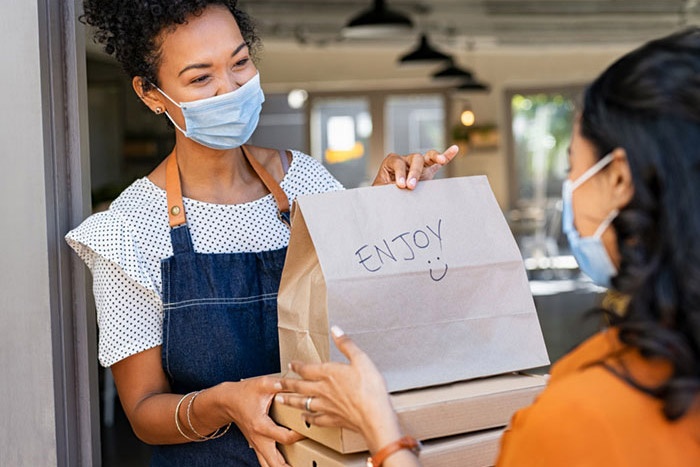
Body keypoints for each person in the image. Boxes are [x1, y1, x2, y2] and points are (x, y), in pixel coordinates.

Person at [277, 27, 700, 467]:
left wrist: (380, 429)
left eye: (573, 162)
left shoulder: (578, 420)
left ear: (617, 179)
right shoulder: (627, 365)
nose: (570, 184)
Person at [66, 1, 457, 466]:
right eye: (199, 78)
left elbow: (361, 299)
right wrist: (224, 402)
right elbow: (144, 410)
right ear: (151, 93)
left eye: (240, 63)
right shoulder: (126, 231)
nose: (229, 89)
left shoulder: (306, 183)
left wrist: (383, 204)